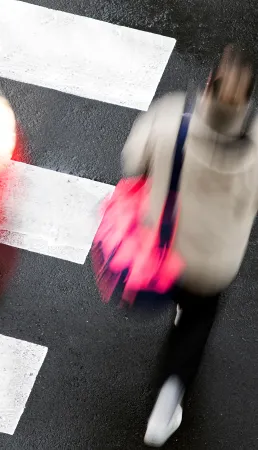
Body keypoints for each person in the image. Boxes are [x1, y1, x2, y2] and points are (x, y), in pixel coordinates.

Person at [121, 44, 258, 447]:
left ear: (207, 85)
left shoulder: (170, 121)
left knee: (179, 291)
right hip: (214, 264)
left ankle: (176, 300)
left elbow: (132, 161)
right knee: (196, 324)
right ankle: (167, 403)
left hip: (164, 249)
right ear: (248, 103)